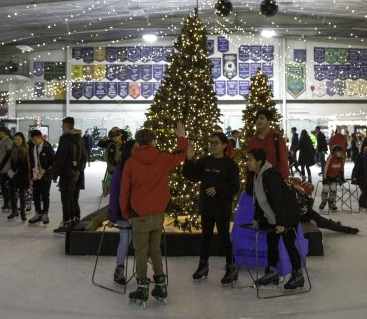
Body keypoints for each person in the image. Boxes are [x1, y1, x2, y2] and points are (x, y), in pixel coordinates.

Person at [121, 122, 190, 306]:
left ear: (137, 142)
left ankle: (142, 288)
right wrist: (181, 137)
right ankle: (161, 285)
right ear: (152, 141)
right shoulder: (162, 158)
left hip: (139, 213)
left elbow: (125, 191)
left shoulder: (131, 163)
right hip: (158, 212)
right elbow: (181, 154)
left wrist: (125, 212)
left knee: (141, 251)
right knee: (155, 249)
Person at [182, 131, 240, 284]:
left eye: (216, 143)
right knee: (205, 237)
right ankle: (203, 265)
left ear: (224, 145)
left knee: (224, 237)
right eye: (211, 142)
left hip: (222, 208)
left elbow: (234, 186)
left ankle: (231, 266)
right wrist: (189, 159)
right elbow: (191, 175)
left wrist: (218, 189)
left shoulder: (230, 164)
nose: (213, 145)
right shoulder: (205, 161)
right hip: (207, 207)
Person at [246, 148, 305, 290]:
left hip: (287, 215)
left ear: (259, 162)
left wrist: (281, 223)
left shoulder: (271, 175)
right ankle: (272, 272)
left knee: (289, 243)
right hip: (272, 217)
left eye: (250, 160)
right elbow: (260, 200)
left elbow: (278, 200)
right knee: (271, 243)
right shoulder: (256, 176)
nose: (247, 163)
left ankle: (298, 275)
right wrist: (257, 218)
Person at [108, 139, 137, 285]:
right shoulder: (122, 168)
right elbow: (115, 192)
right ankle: (119, 268)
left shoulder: (141, 165)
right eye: (135, 148)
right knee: (125, 241)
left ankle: (140, 270)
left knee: (138, 242)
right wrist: (113, 215)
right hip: (123, 212)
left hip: (139, 212)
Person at [53, 117, 88, 233]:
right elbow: (85, 157)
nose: (62, 128)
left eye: (63, 125)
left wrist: (54, 174)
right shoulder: (79, 138)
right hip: (77, 173)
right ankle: (75, 219)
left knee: (66, 198)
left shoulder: (65, 139)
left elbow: (60, 158)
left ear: (66, 126)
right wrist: (78, 168)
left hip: (67, 174)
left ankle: (67, 222)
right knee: (73, 197)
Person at [291, 177, 358, 234]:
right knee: (325, 223)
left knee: (326, 222)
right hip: (303, 219)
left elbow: (308, 211)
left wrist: (312, 217)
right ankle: (339, 226)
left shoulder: (306, 199)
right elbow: (298, 214)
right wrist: (309, 220)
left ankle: (340, 227)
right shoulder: (295, 198)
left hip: (309, 216)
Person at [245, 109, 289, 188]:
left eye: (261, 118)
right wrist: (248, 180)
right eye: (257, 119)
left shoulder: (277, 139)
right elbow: (249, 162)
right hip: (256, 182)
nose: (258, 121)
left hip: (273, 182)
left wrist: (283, 181)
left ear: (269, 121)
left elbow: (283, 162)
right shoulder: (252, 141)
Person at [28, 129, 55, 225]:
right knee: (35, 195)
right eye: (32, 140)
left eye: (35, 140)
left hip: (46, 175)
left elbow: (53, 162)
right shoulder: (32, 147)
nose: (34, 142)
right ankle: (38, 213)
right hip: (36, 175)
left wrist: (46, 170)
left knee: (45, 195)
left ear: (40, 138)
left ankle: (45, 213)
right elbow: (32, 161)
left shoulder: (47, 147)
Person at [5, 132, 30, 221]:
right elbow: (5, 159)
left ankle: (22, 212)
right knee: (11, 192)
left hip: (22, 175)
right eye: (15, 139)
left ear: (22, 140)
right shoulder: (11, 149)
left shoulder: (26, 150)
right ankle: (14, 210)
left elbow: (28, 164)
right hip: (13, 174)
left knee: (22, 194)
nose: (17, 141)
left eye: (19, 139)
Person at [319, 145, 345, 211]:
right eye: (338, 152)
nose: (340, 154)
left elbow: (341, 169)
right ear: (334, 152)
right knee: (326, 188)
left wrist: (341, 177)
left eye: (341, 152)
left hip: (335, 176)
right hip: (327, 176)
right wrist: (324, 178)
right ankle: (323, 201)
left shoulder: (341, 159)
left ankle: (331, 202)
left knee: (333, 189)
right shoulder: (330, 158)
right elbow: (325, 168)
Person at [100, 128, 124, 196]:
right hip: (113, 168)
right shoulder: (112, 145)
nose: (120, 138)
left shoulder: (115, 144)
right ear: (115, 137)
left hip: (114, 168)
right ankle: (107, 189)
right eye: (119, 136)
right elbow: (110, 157)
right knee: (113, 183)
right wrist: (117, 165)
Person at [0, 127, 13, 211]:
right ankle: (6, 203)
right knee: (3, 186)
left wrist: (2, 167)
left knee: (7, 186)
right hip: (1, 166)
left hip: (6, 167)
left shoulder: (8, 141)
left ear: (5, 133)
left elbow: (9, 155)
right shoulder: (1, 141)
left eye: (0, 132)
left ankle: (8, 203)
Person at [352, 145, 367, 210]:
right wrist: (354, 176)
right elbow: (356, 168)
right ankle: (362, 204)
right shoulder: (361, 158)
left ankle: (363, 203)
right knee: (366, 191)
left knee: (366, 191)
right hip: (360, 178)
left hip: (365, 178)